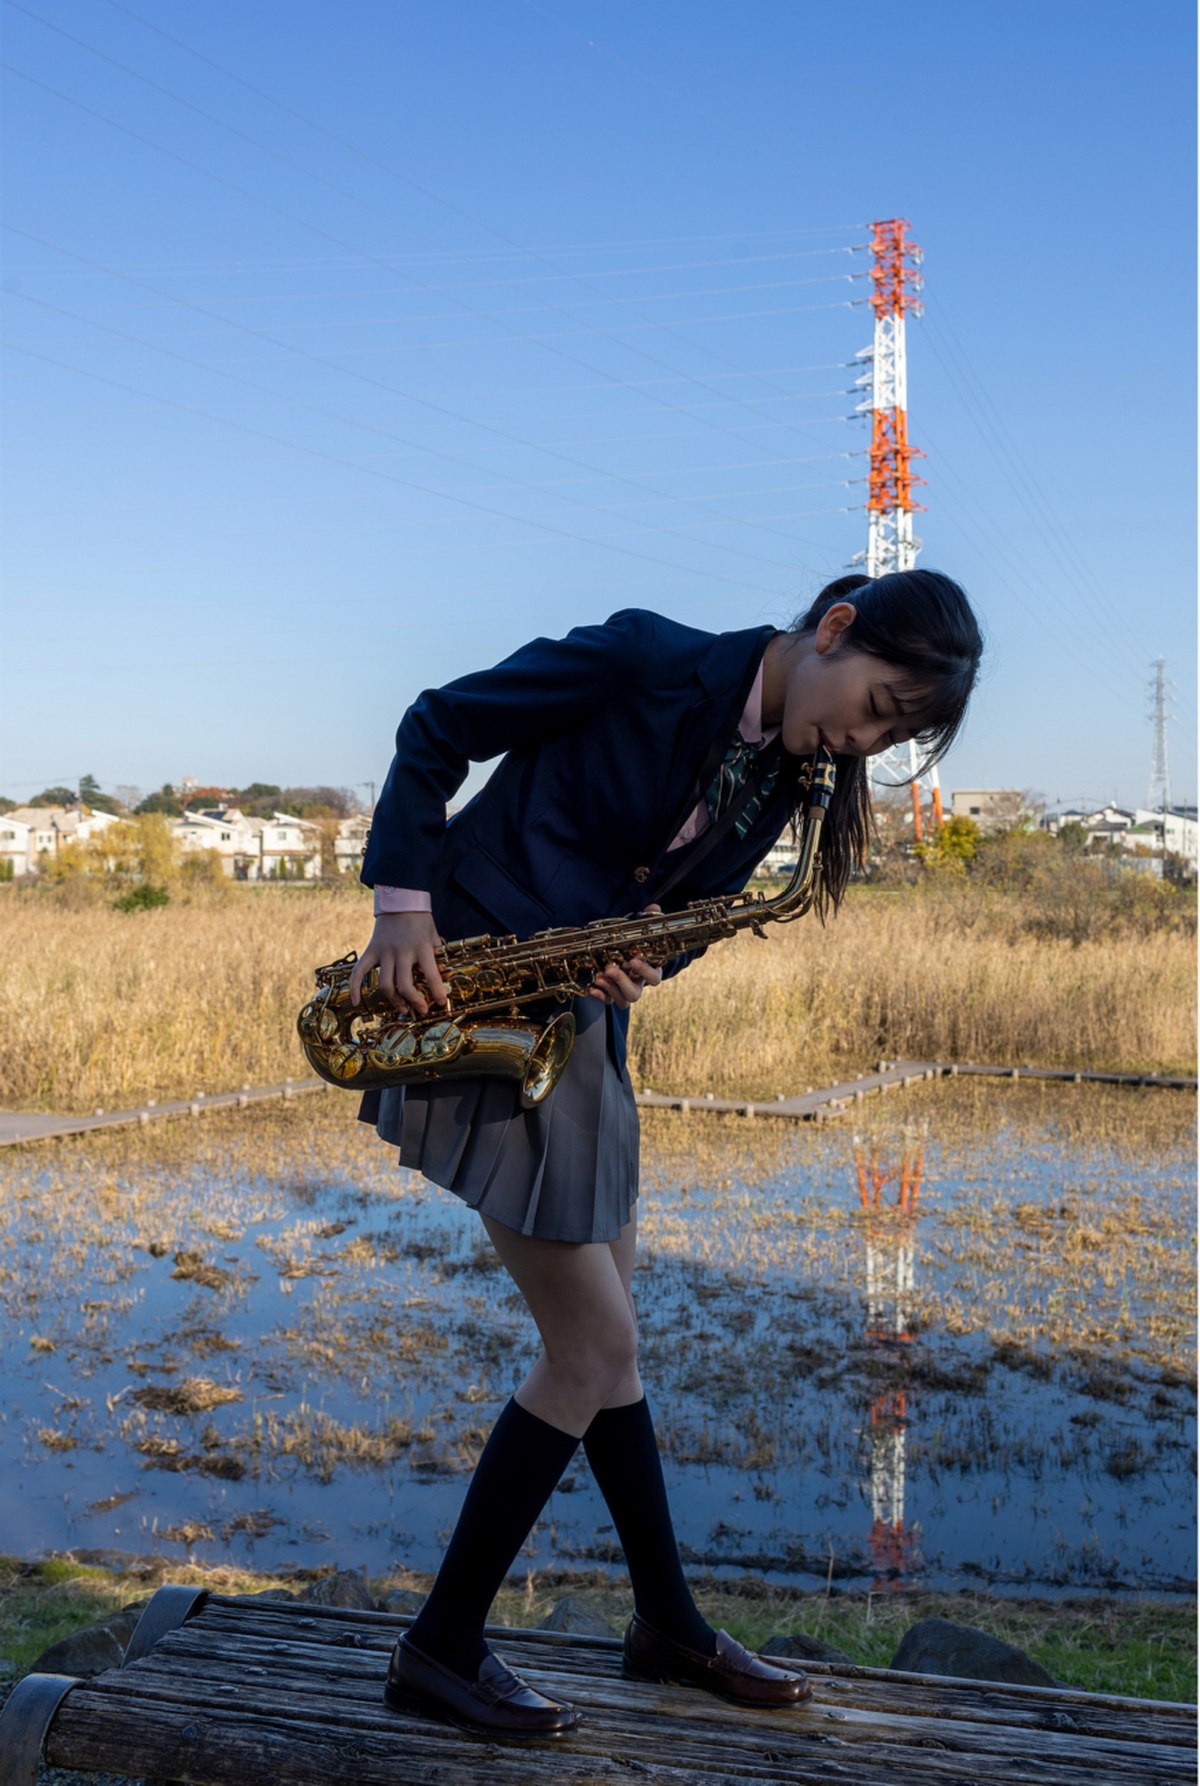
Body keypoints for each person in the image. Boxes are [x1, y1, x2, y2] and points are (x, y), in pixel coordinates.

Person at [352, 568, 983, 1737]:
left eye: (893, 735)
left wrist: (642, 963)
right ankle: (438, 1646)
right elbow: (440, 721)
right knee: (593, 1345)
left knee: (613, 1350)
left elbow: (691, 911)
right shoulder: (642, 655)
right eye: (879, 706)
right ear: (835, 628)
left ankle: (667, 1625)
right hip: (472, 993)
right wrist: (402, 900)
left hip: (579, 1023)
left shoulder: (793, 771)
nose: (864, 743)